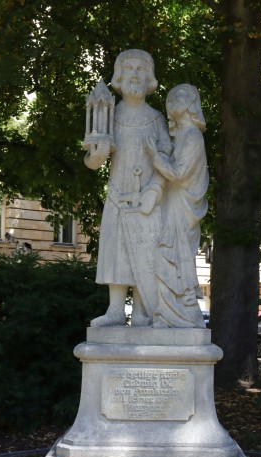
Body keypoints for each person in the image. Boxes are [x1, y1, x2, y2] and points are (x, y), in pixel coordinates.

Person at [84, 49, 171, 326]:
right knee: (116, 253)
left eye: (140, 69)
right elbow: (93, 161)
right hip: (118, 197)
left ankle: (144, 311)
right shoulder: (108, 115)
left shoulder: (157, 120)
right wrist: (96, 155)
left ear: (149, 78)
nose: (134, 74)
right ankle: (116, 309)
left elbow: (166, 162)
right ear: (119, 77)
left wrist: (155, 190)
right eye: (129, 68)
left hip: (146, 203)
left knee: (145, 255)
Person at [148, 84, 209, 328]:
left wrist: (155, 158)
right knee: (165, 256)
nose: (173, 100)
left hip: (183, 206)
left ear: (192, 104)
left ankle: (185, 314)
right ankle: (166, 313)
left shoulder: (193, 136)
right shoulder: (181, 137)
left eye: (181, 96)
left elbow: (178, 172)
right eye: (170, 97)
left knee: (175, 255)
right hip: (172, 202)